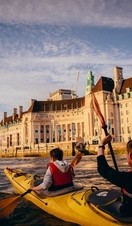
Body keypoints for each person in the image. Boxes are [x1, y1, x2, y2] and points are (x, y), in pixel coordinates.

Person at [97, 135, 132, 217]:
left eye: (126, 153)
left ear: (130, 156)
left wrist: (101, 145)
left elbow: (103, 169)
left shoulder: (127, 178)